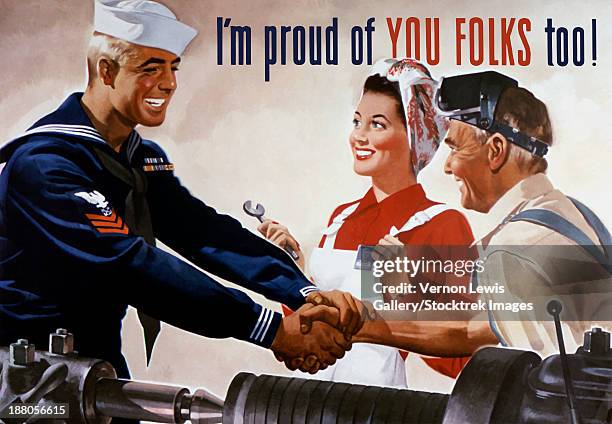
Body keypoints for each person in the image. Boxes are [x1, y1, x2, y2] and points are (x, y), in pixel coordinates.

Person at [0, 0, 355, 379]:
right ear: (107, 71)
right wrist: (271, 330)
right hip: (25, 366)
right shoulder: (45, 165)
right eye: (150, 69)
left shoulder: (141, 158)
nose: (168, 83)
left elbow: (202, 231)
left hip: (98, 361)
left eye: (172, 67)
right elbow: (132, 266)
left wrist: (300, 292)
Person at [323, 71, 610, 358]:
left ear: (495, 150)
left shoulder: (512, 249)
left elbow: (536, 375)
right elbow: (477, 326)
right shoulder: (571, 213)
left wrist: (359, 321)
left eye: (456, 148)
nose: (447, 166)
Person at [259, 58, 475, 387]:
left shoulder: (443, 225)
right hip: (312, 400)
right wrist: (291, 268)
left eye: (377, 124)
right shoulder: (341, 219)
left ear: (414, 136)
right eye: (357, 121)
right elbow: (311, 330)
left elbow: (461, 360)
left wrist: (406, 297)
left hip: (378, 405)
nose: (358, 136)